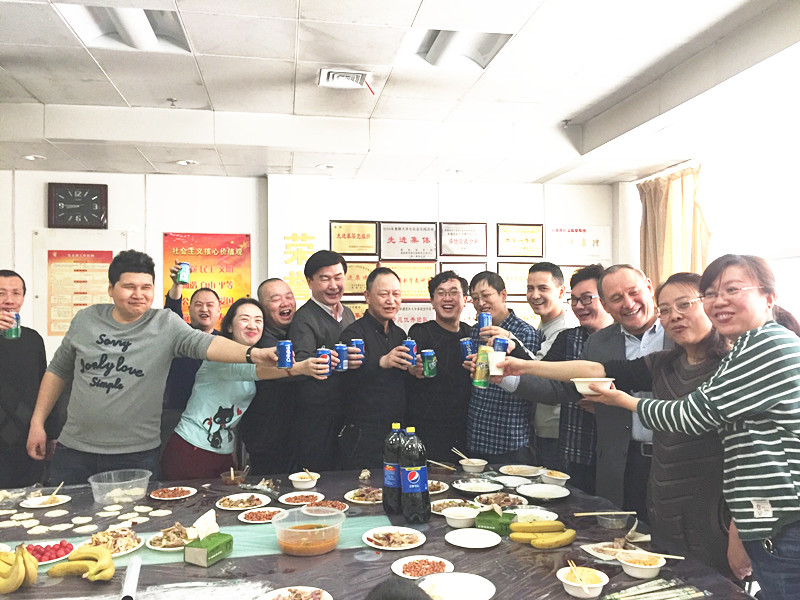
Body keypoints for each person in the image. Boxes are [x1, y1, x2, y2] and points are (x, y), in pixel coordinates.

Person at [584, 255, 800, 600]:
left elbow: (692, 415)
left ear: (769, 297)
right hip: (759, 519)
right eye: (712, 293)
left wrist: (622, 400)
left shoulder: (768, 347)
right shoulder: (745, 348)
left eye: (733, 290)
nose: (720, 301)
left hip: (780, 523)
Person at [499, 272, 733, 575]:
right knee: (650, 563)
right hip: (655, 482)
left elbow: (687, 414)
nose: (675, 316)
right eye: (666, 310)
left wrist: (623, 401)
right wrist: (523, 366)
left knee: (712, 576)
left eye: (685, 305)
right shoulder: (664, 361)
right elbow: (596, 371)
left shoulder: (734, 362)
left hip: (711, 495)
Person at [26, 250, 278, 484]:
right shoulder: (86, 319)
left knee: (136, 518)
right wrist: (37, 422)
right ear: (111, 289)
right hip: (75, 450)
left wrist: (253, 353)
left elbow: (207, 343)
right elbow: (57, 371)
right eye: (129, 287)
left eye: (146, 287)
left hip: (136, 454)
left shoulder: (164, 324)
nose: (138, 294)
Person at [161, 297, 328, 480]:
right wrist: (301, 368)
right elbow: (256, 371)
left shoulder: (257, 358)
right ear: (229, 326)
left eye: (258, 320)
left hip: (224, 451)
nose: (252, 325)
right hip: (190, 447)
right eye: (244, 319)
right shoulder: (219, 356)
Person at [494, 264, 612, 494]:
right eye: (575, 300)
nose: (579, 306)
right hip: (576, 449)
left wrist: (610, 405)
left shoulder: (625, 339)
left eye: (587, 299)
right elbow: (548, 383)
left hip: (618, 451)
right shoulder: (569, 337)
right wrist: (502, 376)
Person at [499, 263, 578, 469]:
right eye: (530, 288)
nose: (535, 295)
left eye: (543, 288)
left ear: (561, 291)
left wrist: (512, 342)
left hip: (558, 430)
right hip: (543, 426)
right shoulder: (547, 322)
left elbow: (540, 372)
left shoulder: (566, 329)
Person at [288, 250, 358, 471]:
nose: (333, 285)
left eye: (338, 277)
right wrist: (328, 360)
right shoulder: (304, 318)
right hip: (317, 418)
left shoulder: (348, 314)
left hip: (345, 412)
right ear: (310, 282)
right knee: (320, 475)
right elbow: (301, 364)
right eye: (325, 279)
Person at [339, 267, 411, 469]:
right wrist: (381, 362)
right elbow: (346, 381)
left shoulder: (399, 334)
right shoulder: (353, 334)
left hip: (397, 428)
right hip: (364, 433)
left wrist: (414, 370)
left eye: (396, 294)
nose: (391, 301)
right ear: (367, 297)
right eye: (383, 294)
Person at [466, 271, 541, 463]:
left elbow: (533, 380)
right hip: (477, 432)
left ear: (503, 295)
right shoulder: (475, 332)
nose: (480, 303)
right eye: (475, 298)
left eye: (486, 295)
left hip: (510, 435)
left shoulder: (525, 333)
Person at [0, 270, 64, 488]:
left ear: (23, 298)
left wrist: (51, 432)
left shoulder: (32, 339)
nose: (9, 300)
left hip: (26, 438)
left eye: (16, 293)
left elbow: (44, 386)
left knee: (28, 498)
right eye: (1, 293)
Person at [405, 271, 472, 462]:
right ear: (432, 301)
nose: (447, 298)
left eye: (454, 292)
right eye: (441, 293)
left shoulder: (471, 334)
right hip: (428, 430)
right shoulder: (420, 333)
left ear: (465, 300)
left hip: (466, 430)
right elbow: (409, 368)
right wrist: (412, 368)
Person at [239, 278, 298, 475]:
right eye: (276, 299)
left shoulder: (297, 330)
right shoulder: (260, 340)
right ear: (262, 307)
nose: (285, 303)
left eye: (289, 296)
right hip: (267, 437)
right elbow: (286, 372)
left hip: (292, 434)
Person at [161, 260, 222, 448]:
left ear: (219, 311)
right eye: (198, 305)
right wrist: (177, 285)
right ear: (189, 309)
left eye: (210, 305)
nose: (204, 309)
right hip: (177, 413)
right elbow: (171, 312)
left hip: (214, 416)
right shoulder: (180, 335)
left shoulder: (226, 342)